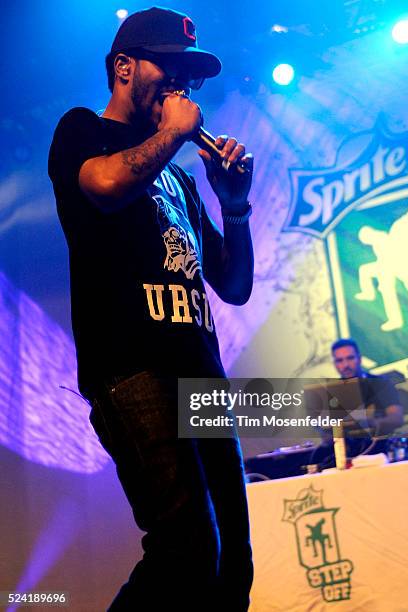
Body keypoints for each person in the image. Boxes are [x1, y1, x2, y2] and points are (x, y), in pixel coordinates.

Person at [48, 7, 254, 612]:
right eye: (171, 69)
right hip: (134, 371)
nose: (182, 85)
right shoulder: (83, 130)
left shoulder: (183, 184)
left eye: (190, 76)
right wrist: (175, 136)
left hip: (203, 381)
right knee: (185, 548)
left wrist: (235, 206)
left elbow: (234, 286)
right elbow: (106, 187)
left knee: (231, 563)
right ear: (123, 67)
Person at [310, 338, 404, 467]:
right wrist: (327, 431)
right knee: (316, 457)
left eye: (350, 358)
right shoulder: (330, 391)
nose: (345, 365)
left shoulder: (380, 383)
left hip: (378, 450)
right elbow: (326, 434)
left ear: (359, 359)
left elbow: (397, 418)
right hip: (344, 453)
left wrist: (371, 423)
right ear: (335, 364)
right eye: (339, 360)